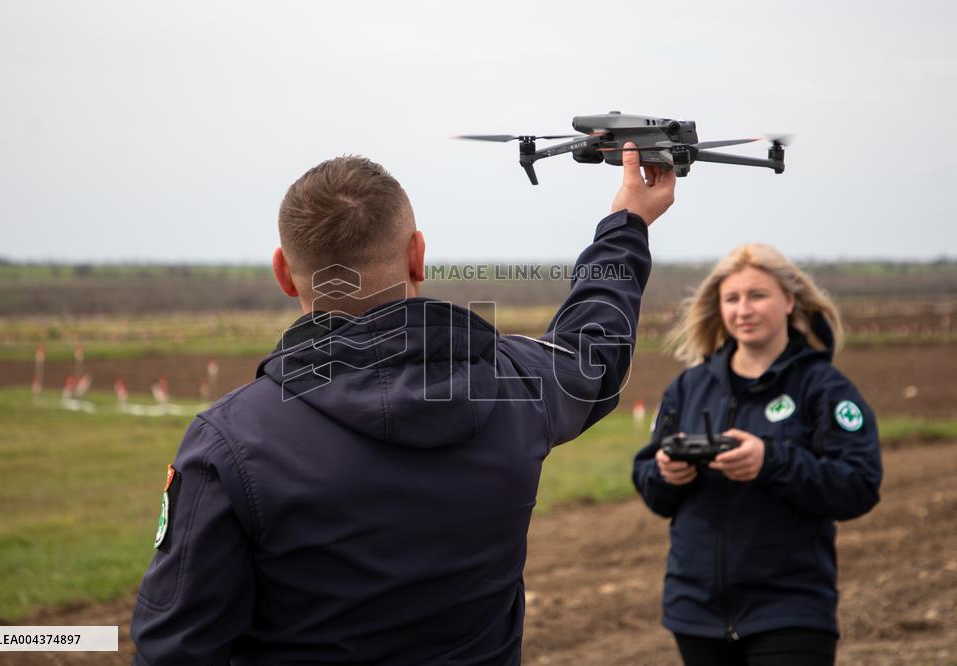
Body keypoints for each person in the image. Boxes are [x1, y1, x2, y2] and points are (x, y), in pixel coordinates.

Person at [130, 144, 676, 665]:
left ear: (282, 272)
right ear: (418, 255)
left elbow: (176, 646)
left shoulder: (228, 441)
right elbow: (591, 352)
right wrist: (627, 224)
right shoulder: (511, 384)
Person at [632, 244, 883, 665]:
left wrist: (771, 461)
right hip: (695, 613)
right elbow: (650, 484)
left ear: (789, 301)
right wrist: (665, 474)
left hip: (791, 611)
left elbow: (858, 485)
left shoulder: (824, 388)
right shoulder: (688, 387)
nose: (743, 309)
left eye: (757, 295)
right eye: (732, 298)